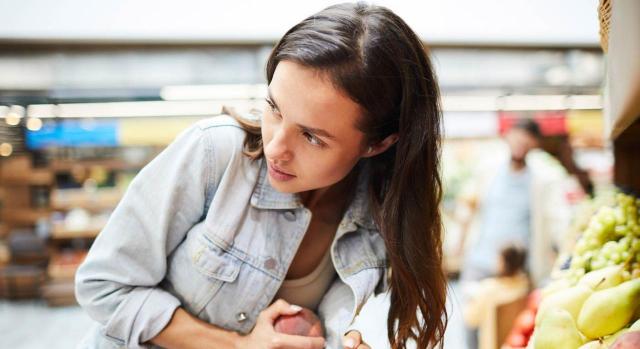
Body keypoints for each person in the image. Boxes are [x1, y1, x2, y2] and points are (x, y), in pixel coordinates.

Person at [75, 3, 448, 349]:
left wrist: (345, 333)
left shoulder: (384, 209)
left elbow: (352, 311)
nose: (275, 148)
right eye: (273, 107)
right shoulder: (214, 153)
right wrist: (239, 345)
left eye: (312, 136)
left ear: (378, 144)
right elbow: (104, 286)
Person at [462, 244, 530, 349]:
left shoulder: (488, 289)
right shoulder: (526, 285)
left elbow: (470, 319)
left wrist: (472, 298)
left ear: (504, 264)